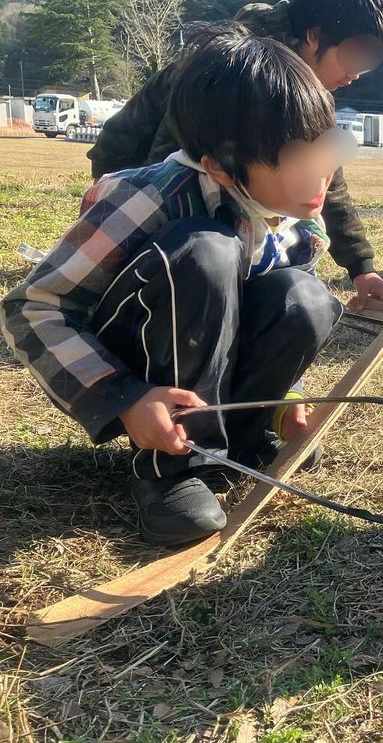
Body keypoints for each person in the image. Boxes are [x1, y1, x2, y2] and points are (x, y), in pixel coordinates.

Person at [2, 31, 351, 547]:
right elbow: (31, 307)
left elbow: (252, 317)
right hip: (135, 350)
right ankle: (171, 466)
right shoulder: (148, 199)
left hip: (198, 350)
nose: (319, 172)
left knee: (305, 297)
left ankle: (245, 437)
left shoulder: (295, 225)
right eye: (292, 155)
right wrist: (124, 396)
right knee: (206, 252)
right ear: (218, 165)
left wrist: (279, 398)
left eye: (322, 145)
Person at [88, 0, 383, 311]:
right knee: (197, 259)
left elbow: (324, 177)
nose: (356, 73)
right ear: (314, 35)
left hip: (192, 174)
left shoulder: (301, 82)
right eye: (354, 56)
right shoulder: (233, 66)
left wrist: (361, 267)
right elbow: (171, 160)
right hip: (134, 167)